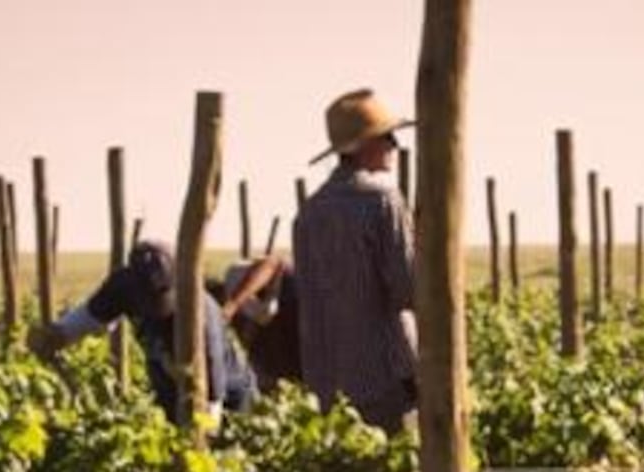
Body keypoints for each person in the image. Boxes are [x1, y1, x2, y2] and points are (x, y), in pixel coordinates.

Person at [295, 88, 417, 435]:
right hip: (386, 377)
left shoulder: (309, 213)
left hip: (327, 382)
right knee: (401, 460)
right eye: (386, 136)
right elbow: (409, 289)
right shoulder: (384, 200)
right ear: (364, 145)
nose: (394, 144)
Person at [28, 240, 257, 423]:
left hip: (230, 401)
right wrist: (56, 335)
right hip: (169, 392)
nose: (156, 311)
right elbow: (87, 318)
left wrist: (198, 448)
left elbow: (212, 399)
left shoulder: (201, 313)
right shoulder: (122, 287)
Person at [208, 254, 303, 392]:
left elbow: (272, 263)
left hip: (300, 299)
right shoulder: (242, 340)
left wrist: (233, 304)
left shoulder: (233, 282)